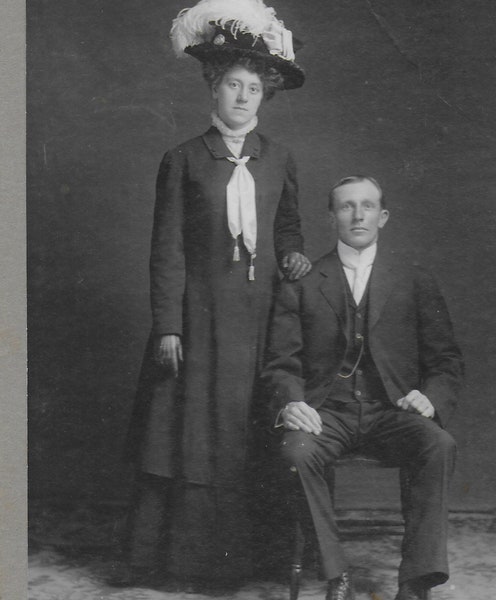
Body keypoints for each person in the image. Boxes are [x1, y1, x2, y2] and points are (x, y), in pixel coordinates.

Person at [121, 0, 311, 590]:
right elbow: (167, 249)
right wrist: (169, 325)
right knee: (193, 433)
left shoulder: (278, 159)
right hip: (199, 320)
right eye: (233, 84)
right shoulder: (182, 160)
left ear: (265, 94)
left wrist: (294, 254)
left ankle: (256, 560)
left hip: (257, 323)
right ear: (213, 87)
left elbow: (287, 229)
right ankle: (181, 564)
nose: (243, 96)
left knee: (246, 433)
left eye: (254, 87)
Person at [261, 176, 464, 600]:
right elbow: (281, 362)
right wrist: (291, 402)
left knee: (439, 445)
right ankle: (338, 575)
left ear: (383, 216)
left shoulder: (414, 279)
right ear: (331, 217)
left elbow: (445, 361)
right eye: (347, 206)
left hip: (391, 412)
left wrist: (429, 397)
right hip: (326, 412)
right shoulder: (302, 281)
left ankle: (414, 583)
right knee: (295, 451)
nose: (357, 215)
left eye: (367, 206)